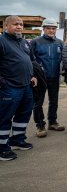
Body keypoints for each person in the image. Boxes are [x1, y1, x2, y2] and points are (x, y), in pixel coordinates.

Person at [0, 16, 37, 161]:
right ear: (5, 25)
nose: (19, 27)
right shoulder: (2, 41)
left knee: (24, 114)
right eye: (15, 24)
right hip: (9, 87)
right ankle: (2, 148)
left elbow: (30, 60)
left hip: (26, 85)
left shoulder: (23, 42)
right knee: (4, 117)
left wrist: (32, 75)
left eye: (21, 24)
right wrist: (3, 82)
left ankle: (17, 140)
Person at [31, 18, 65, 137]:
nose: (51, 30)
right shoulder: (35, 42)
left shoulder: (60, 43)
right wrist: (33, 75)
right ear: (43, 29)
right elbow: (30, 60)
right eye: (48, 28)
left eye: (53, 28)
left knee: (54, 101)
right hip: (40, 78)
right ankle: (40, 126)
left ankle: (53, 122)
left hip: (54, 76)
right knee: (38, 102)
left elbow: (63, 59)